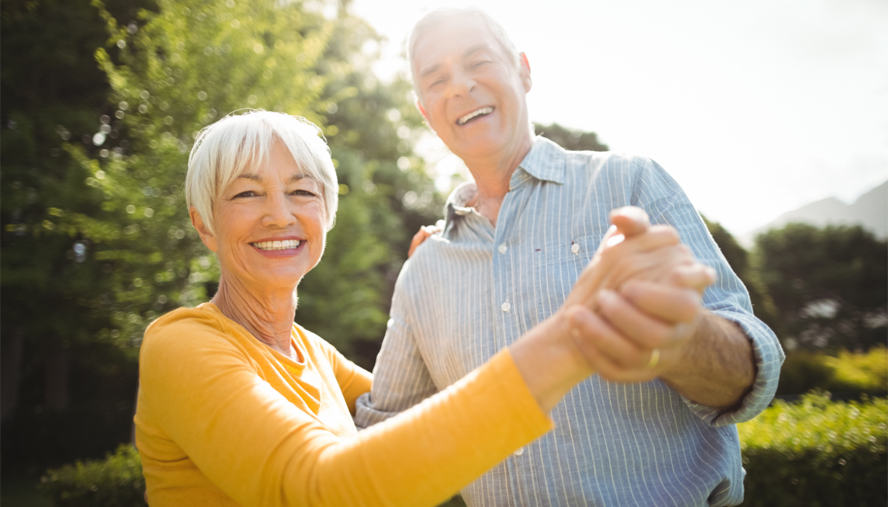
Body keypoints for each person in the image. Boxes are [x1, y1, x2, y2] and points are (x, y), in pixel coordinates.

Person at [133, 110, 712, 506]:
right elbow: (321, 490)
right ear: (204, 223)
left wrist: (433, 288)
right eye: (246, 192)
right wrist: (572, 339)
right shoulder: (180, 345)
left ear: (326, 215)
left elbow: (434, 417)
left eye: (303, 191)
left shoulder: (314, 354)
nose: (280, 214)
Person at [354, 7, 784, 507]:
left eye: (478, 61)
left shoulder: (631, 185)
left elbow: (754, 372)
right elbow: (381, 438)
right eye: (437, 78)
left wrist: (680, 340)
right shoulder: (424, 270)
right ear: (426, 113)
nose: (460, 86)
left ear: (524, 70)